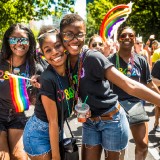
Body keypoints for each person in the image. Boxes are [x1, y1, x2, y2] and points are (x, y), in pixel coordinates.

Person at [32, 14, 160, 160]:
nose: (75, 39)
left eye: (79, 34)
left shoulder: (93, 58)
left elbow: (129, 84)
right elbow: (56, 77)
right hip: (89, 121)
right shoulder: (63, 61)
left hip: (112, 120)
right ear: (61, 36)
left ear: (84, 35)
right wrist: (39, 77)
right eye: (69, 34)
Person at [108, 26, 160, 160]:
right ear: (118, 39)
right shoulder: (109, 61)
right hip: (116, 106)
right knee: (119, 149)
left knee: (143, 145)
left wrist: (158, 97)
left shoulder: (141, 60)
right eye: (123, 35)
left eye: (131, 35)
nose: (127, 38)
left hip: (136, 106)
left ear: (135, 38)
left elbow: (149, 84)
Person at [23, 25, 73, 160]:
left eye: (58, 46)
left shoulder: (71, 71)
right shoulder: (47, 79)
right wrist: (56, 156)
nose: (55, 52)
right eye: (48, 50)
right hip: (38, 135)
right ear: (44, 55)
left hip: (57, 131)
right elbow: (52, 120)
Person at [0, 23, 36, 159]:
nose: (18, 43)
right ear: (8, 41)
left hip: (18, 117)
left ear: (30, 42)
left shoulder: (34, 66)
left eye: (23, 40)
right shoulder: (0, 60)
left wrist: (39, 85)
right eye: (14, 39)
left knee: (20, 157)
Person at [151, 59, 160, 132]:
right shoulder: (158, 63)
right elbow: (152, 80)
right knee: (158, 106)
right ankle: (156, 123)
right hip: (159, 91)